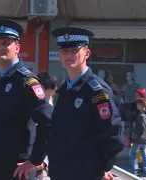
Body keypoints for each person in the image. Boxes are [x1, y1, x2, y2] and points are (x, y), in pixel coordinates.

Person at [16, 27, 124, 180]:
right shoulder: (65, 89)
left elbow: (113, 136)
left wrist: (101, 168)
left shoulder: (96, 91)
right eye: (64, 51)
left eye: (74, 51)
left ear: (86, 53)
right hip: (61, 172)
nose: (68, 55)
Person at [0, 19, 52, 180]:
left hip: (17, 169)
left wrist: (35, 160)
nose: (1, 47)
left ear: (17, 47)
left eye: (6, 43)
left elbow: (48, 122)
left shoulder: (27, 82)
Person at [129, 96, 146, 177]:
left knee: (133, 152)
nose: (136, 106)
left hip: (139, 138)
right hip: (145, 138)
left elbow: (141, 128)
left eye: (137, 105)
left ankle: (134, 169)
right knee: (144, 153)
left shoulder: (140, 115)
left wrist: (135, 135)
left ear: (140, 105)